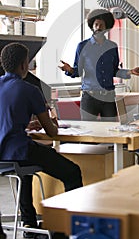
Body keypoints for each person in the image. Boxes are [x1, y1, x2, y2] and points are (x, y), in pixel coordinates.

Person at [0, 43, 83, 236]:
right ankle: (64, 228)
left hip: (3, 157)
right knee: (72, 172)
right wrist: (50, 122)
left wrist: (26, 126)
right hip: (18, 152)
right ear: (24, 65)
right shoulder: (29, 89)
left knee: (25, 173)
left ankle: (29, 226)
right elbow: (52, 132)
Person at [59, 8, 139, 121]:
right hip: (89, 97)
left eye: (102, 25)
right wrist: (70, 69)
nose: (98, 27)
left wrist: (131, 71)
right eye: (96, 24)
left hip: (108, 97)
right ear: (92, 26)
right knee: (88, 132)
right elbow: (78, 71)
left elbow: (114, 71)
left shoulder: (112, 46)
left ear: (107, 27)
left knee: (110, 131)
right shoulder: (82, 46)